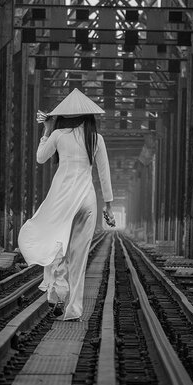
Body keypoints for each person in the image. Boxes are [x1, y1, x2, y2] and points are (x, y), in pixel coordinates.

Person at [17, 87, 115, 321]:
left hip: (62, 196)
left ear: (64, 115)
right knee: (79, 257)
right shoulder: (96, 139)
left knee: (56, 244)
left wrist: (47, 130)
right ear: (89, 116)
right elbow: (104, 174)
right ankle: (73, 310)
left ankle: (56, 292)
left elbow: (41, 157)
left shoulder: (59, 135)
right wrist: (108, 206)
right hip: (87, 198)